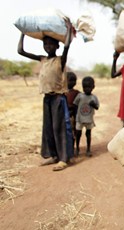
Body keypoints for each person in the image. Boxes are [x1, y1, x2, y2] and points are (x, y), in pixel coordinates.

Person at [17, 19, 74, 171]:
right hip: (47, 98)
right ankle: (53, 155)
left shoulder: (60, 60)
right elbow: (20, 51)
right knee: (48, 128)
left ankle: (63, 159)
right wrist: (23, 34)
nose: (48, 47)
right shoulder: (42, 59)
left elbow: (67, 46)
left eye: (51, 44)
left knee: (60, 128)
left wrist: (68, 29)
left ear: (57, 46)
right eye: (45, 44)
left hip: (58, 98)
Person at [73, 76, 99, 157]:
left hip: (89, 119)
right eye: (85, 87)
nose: (87, 89)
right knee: (78, 134)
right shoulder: (80, 96)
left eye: (89, 87)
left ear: (93, 87)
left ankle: (88, 149)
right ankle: (77, 148)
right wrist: (75, 116)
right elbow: (75, 105)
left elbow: (97, 107)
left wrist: (93, 104)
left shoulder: (93, 98)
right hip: (80, 119)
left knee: (88, 134)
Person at [65, 71, 80, 154]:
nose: (73, 82)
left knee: (73, 133)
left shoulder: (77, 93)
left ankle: (72, 148)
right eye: (70, 80)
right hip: (65, 116)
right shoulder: (62, 93)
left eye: (74, 80)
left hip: (74, 116)